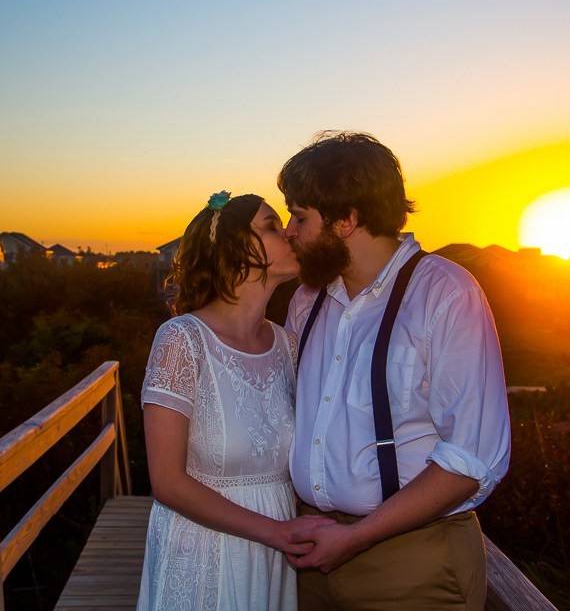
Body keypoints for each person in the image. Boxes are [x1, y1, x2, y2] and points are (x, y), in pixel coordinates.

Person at [278, 132, 512, 610]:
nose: (289, 231)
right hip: (310, 561)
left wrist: (358, 536)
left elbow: (471, 458)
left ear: (346, 219)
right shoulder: (308, 301)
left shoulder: (445, 294)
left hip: (413, 566)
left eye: (300, 217)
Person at [136, 191, 333, 611]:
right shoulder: (182, 341)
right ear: (236, 248)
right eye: (271, 226)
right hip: (206, 550)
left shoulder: (289, 346)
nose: (290, 234)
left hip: (277, 554)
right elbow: (167, 482)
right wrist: (274, 532)